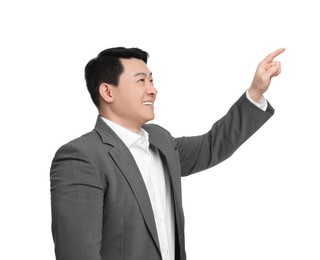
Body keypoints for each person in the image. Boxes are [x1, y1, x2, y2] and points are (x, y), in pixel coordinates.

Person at [50, 47, 285, 260]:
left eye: (151, 80)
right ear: (107, 92)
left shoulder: (160, 141)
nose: (152, 90)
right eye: (140, 81)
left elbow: (211, 146)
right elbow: (77, 253)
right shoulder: (81, 157)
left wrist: (255, 92)